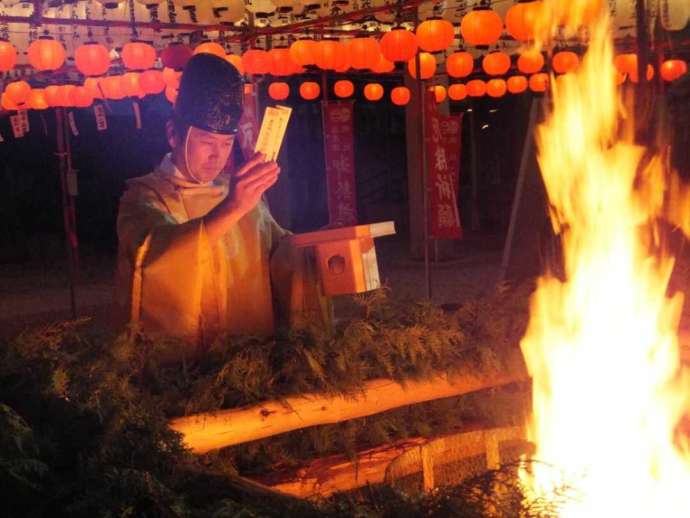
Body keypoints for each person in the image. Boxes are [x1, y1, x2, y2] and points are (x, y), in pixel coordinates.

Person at [114, 53, 328, 356]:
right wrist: (232, 209)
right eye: (206, 142)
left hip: (253, 355)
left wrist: (318, 247)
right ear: (173, 134)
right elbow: (151, 259)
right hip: (185, 364)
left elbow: (281, 252)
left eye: (226, 144)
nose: (218, 156)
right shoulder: (145, 197)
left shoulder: (241, 193)